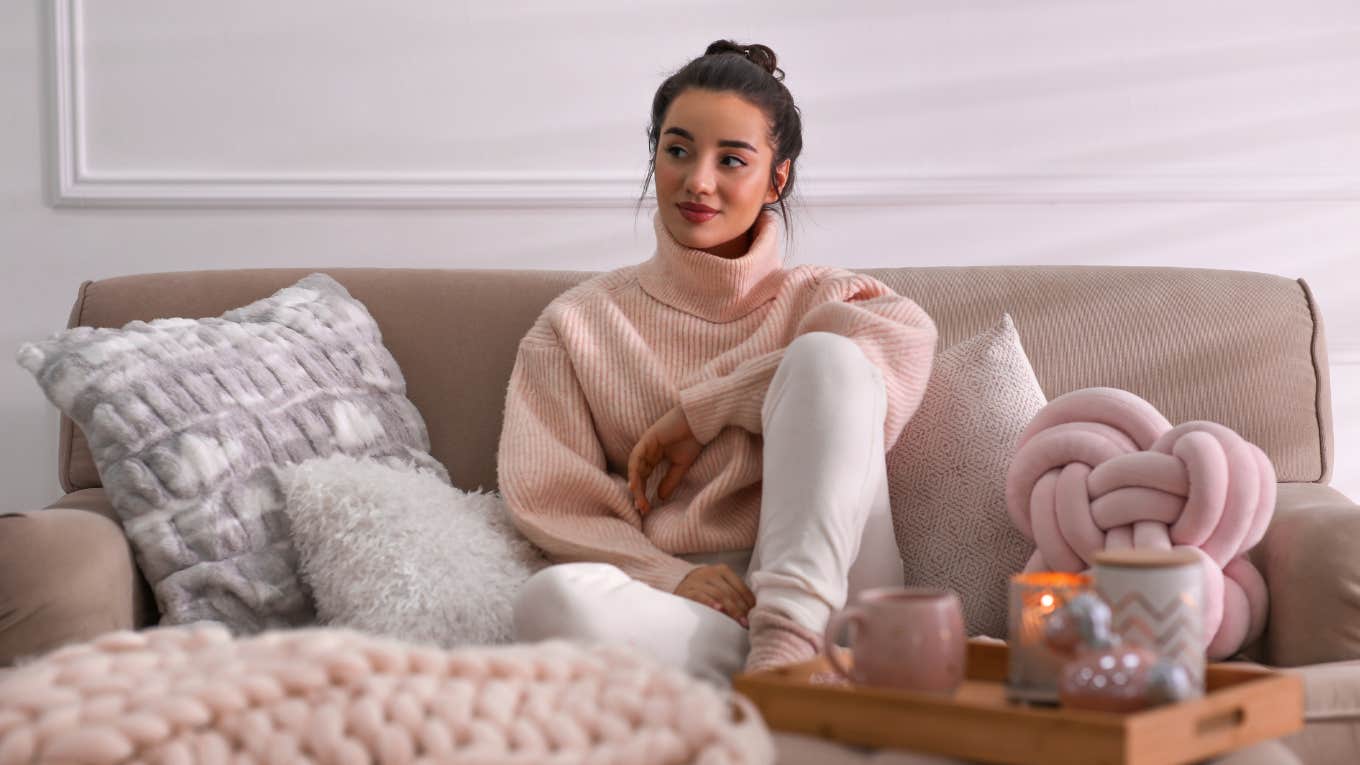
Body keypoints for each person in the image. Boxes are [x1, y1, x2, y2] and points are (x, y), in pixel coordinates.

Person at [498, 40, 938, 685]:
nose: (698, 181)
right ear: (655, 156)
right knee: (549, 601)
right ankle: (797, 682)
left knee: (826, 357)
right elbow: (551, 498)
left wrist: (703, 411)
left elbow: (907, 339)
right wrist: (674, 578)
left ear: (776, 178)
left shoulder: (826, 297)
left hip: (840, 583)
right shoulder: (576, 324)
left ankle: (792, 645)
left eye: (732, 159)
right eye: (678, 150)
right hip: (698, 606)